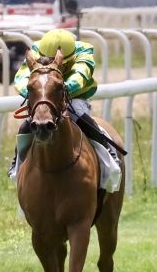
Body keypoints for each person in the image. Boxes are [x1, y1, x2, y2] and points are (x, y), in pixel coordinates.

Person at [7, 28, 125, 186]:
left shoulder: (84, 50)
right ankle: (18, 165)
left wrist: (60, 89)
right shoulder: (35, 50)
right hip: (45, 97)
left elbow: (81, 75)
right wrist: (40, 92)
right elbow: (21, 78)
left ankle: (109, 154)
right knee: (26, 125)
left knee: (82, 118)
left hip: (74, 96)